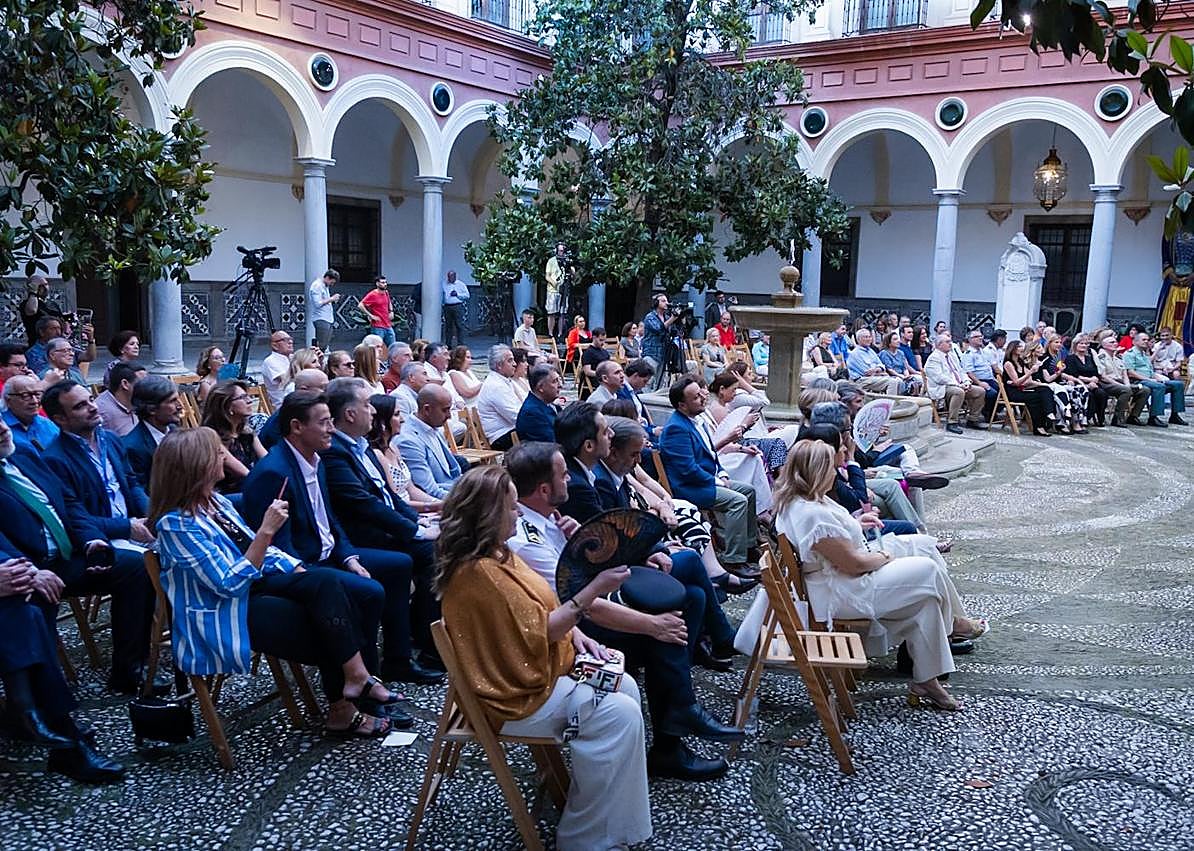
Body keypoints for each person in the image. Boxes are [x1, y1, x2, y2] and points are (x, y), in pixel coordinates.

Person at [437, 464, 653, 847]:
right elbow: (543, 630)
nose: (518, 513)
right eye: (510, 508)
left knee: (628, 687)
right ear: (489, 516)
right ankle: (584, 838)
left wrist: (575, 631)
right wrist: (595, 588)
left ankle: (610, 823)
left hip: (528, 673)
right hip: (511, 696)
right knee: (619, 715)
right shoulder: (482, 571)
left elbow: (544, 610)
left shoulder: (498, 555)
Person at [503, 444, 742, 783]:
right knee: (664, 633)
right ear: (544, 489)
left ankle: (678, 715)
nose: (569, 478)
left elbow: (581, 576)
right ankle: (671, 738)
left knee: (689, 599)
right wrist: (652, 625)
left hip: (579, 616)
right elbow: (581, 605)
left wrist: (586, 546)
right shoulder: (528, 541)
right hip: (567, 635)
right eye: (562, 475)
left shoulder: (549, 522)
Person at [152, 427, 402, 737]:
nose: (225, 457)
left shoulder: (217, 504)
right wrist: (266, 531)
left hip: (254, 587)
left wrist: (296, 569)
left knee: (335, 589)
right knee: (327, 619)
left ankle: (356, 683)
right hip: (224, 610)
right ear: (197, 465)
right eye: (218, 453)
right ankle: (348, 699)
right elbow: (229, 584)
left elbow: (263, 554)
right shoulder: (176, 526)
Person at [241, 391, 438, 684]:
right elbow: (277, 546)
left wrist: (348, 556)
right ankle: (363, 684)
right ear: (297, 427)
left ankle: (399, 660)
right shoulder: (275, 472)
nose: (331, 429)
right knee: (369, 592)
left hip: (328, 553)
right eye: (323, 423)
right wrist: (314, 572)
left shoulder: (313, 458)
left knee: (398, 566)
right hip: (302, 565)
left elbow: (328, 519)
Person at [774, 441, 985, 710]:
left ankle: (928, 680)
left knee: (925, 600)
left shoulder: (805, 501)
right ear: (817, 471)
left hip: (839, 582)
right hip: (841, 591)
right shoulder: (811, 515)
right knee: (927, 569)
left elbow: (834, 544)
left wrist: (855, 524)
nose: (836, 472)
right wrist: (885, 557)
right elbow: (853, 563)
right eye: (831, 468)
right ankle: (954, 626)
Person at [32, 388, 158, 694]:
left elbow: (130, 483)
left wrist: (150, 515)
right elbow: (76, 519)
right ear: (60, 419)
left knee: (180, 547)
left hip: (132, 528)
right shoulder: (55, 459)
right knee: (140, 568)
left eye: (90, 400)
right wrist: (126, 527)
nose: (92, 407)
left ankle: (177, 645)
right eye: (80, 406)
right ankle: (130, 667)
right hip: (94, 543)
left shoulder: (110, 440)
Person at [322, 378, 444, 677]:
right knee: (432, 552)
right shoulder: (335, 451)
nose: (373, 412)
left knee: (441, 543)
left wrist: (417, 521)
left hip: (383, 527)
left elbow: (387, 496)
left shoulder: (360, 445)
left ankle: (422, 638)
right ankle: (430, 644)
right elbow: (364, 504)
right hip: (362, 535)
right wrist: (414, 531)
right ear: (350, 414)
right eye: (366, 405)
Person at [660, 375, 758, 571]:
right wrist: (716, 481)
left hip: (706, 480)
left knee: (749, 491)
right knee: (738, 501)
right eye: (696, 397)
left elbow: (711, 454)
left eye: (701, 393)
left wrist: (721, 474)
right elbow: (688, 470)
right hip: (690, 488)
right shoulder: (676, 429)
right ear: (682, 405)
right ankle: (734, 560)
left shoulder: (697, 420)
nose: (703, 398)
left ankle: (748, 546)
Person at [367, 394, 442, 512]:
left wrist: (438, 503)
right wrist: (433, 507)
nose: (402, 419)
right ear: (382, 421)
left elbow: (411, 490)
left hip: (413, 509)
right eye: (396, 415)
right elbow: (395, 501)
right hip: (403, 513)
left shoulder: (393, 447)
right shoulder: (377, 454)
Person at [396, 384, 465, 499]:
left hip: (454, 488)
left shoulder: (432, 425)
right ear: (427, 409)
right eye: (445, 410)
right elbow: (428, 490)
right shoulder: (408, 441)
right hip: (441, 500)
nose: (449, 416)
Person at [200, 380, 267, 494]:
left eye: (248, 396)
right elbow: (244, 473)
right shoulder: (211, 437)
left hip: (249, 487)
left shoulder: (245, 431)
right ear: (227, 405)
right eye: (243, 397)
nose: (250, 401)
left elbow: (267, 460)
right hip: (226, 496)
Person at [122, 376, 182, 491]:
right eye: (172, 401)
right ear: (151, 409)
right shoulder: (133, 447)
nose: (180, 406)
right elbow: (141, 492)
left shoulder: (175, 431)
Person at [924, 333, 986, 434]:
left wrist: (966, 381)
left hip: (958, 384)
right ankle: (952, 422)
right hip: (943, 387)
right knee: (959, 392)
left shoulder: (951, 356)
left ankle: (972, 419)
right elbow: (940, 378)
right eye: (947, 342)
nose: (950, 344)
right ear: (939, 345)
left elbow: (961, 371)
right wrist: (959, 385)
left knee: (980, 391)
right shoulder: (934, 358)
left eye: (950, 342)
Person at [1123, 331, 1187, 427]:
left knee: (1178, 384)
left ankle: (1175, 415)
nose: (1146, 341)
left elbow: (1150, 371)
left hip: (1150, 379)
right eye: (1143, 340)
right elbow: (1130, 372)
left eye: (1147, 340)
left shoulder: (1144, 354)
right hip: (1138, 381)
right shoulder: (1130, 354)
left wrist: (1159, 378)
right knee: (1159, 387)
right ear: (1135, 342)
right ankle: (1154, 417)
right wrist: (1149, 380)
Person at [258, 369, 328, 451]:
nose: (328, 392)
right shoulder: (285, 418)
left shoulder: (306, 410)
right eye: (324, 388)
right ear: (303, 390)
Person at [1002, 341, 1055, 436]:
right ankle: (1039, 426)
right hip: (1013, 392)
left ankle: (1049, 414)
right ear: (1012, 349)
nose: (1021, 348)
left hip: (1023, 388)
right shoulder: (1008, 363)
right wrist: (1031, 372)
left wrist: (1041, 384)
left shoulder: (1021, 362)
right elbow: (1017, 382)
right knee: (1035, 398)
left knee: (1045, 390)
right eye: (1019, 347)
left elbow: (1029, 381)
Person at [1037, 336, 1088, 434]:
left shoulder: (1058, 356)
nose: (1059, 344)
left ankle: (1079, 419)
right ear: (1050, 343)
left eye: (1060, 342)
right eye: (1056, 342)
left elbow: (1061, 374)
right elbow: (1048, 379)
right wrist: (1059, 372)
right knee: (1066, 392)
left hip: (1060, 382)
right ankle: (1064, 421)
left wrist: (1072, 379)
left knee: (1081, 390)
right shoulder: (1044, 358)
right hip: (1048, 384)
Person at [1095, 334, 1148, 427]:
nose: (1115, 343)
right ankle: (1118, 418)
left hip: (1120, 382)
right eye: (1112, 342)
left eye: (1115, 342)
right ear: (1104, 345)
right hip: (1107, 383)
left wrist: (1127, 384)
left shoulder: (1118, 358)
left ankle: (1133, 416)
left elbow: (1125, 374)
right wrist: (1122, 386)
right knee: (1125, 390)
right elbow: (1103, 376)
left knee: (1145, 390)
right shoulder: (1100, 357)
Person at [476, 344, 522, 449]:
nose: (515, 364)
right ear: (499, 365)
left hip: (509, 431)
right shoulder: (496, 386)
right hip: (501, 436)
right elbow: (515, 417)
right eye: (510, 361)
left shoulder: (503, 381)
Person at [2, 375, 59, 452]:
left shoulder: (48, 425)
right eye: (25, 396)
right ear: (8, 400)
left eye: (37, 394)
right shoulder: (3, 429)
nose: (35, 401)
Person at [1064, 334, 1109, 426]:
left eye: (1086, 344)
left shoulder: (1089, 358)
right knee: (1090, 396)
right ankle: (1086, 418)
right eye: (1081, 343)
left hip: (1093, 383)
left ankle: (1100, 418)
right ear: (1075, 345)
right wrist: (1089, 381)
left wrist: (1094, 379)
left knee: (1102, 394)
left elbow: (1096, 372)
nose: (1084, 345)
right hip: (1078, 384)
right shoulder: (1070, 358)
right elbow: (1074, 374)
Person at [94, 362, 144, 437]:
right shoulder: (101, 412)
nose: (148, 386)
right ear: (125, 384)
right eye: (143, 382)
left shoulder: (141, 400)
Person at [516, 363, 563, 443]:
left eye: (559, 380)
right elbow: (551, 444)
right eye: (554, 381)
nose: (560, 385)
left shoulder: (548, 403)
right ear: (541, 387)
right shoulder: (532, 413)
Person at [959, 330, 999, 421]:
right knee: (992, 394)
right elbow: (969, 372)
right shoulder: (969, 354)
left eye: (981, 336)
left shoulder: (983, 352)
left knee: (1005, 391)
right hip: (977, 380)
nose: (980, 338)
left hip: (989, 379)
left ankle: (993, 412)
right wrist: (980, 383)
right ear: (970, 340)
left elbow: (988, 367)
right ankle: (987, 413)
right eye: (977, 337)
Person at [847, 329, 900, 394]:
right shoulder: (854, 354)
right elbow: (867, 372)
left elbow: (882, 366)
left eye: (869, 337)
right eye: (866, 337)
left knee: (899, 380)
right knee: (893, 382)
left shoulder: (871, 351)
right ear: (859, 339)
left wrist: (877, 369)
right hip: (862, 381)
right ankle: (890, 403)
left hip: (874, 378)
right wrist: (880, 372)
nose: (869, 339)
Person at [641, 293, 680, 374]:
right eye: (663, 301)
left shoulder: (667, 317)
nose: (666, 303)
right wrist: (672, 319)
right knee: (648, 381)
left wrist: (679, 320)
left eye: (667, 301)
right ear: (656, 303)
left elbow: (673, 332)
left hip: (663, 355)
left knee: (661, 382)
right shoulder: (650, 317)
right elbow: (658, 329)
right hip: (652, 354)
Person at [879, 331, 923, 396]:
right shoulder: (884, 353)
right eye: (895, 339)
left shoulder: (900, 353)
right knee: (900, 381)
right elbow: (889, 369)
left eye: (898, 339)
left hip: (903, 374)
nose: (898, 341)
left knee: (919, 379)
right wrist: (901, 376)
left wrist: (907, 376)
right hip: (892, 375)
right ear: (889, 342)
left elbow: (904, 368)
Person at [308, 269, 341, 351]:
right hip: (321, 318)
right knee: (321, 345)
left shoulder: (324, 286)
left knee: (325, 344)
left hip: (327, 318)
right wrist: (332, 299)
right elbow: (317, 303)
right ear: (327, 278)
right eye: (332, 282)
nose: (332, 284)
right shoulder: (317, 286)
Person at [261, 331, 294, 410]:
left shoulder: (293, 357)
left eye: (290, 339)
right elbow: (285, 380)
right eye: (285, 340)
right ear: (275, 345)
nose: (290, 342)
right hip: (284, 405)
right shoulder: (270, 361)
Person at [360, 275, 395, 347]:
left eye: (385, 282)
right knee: (377, 346)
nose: (385, 284)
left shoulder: (386, 292)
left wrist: (391, 311)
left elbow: (389, 302)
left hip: (387, 324)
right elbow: (360, 305)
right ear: (377, 284)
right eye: (382, 282)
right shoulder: (373, 294)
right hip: (378, 326)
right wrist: (371, 315)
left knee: (392, 346)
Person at [544, 243, 570, 339]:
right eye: (560, 250)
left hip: (564, 290)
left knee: (562, 313)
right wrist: (555, 284)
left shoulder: (567, 262)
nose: (561, 253)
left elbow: (572, 274)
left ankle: (560, 334)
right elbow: (547, 276)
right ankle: (550, 333)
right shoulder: (551, 261)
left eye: (563, 251)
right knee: (551, 312)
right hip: (553, 290)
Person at [441, 270, 470, 348]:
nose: (450, 278)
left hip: (457, 306)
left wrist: (458, 294)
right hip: (447, 306)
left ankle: (460, 343)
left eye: (452, 277)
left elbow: (467, 295)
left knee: (459, 325)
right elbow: (441, 295)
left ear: (455, 276)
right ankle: (448, 344)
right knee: (448, 326)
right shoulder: (444, 284)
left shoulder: (461, 284)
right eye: (449, 277)